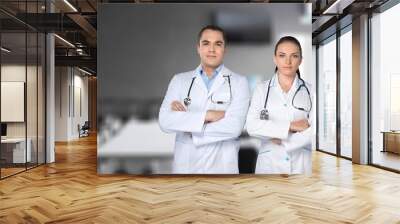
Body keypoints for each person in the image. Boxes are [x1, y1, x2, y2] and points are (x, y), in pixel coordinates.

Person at [159, 25, 250, 174]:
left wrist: (188, 124)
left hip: (223, 169)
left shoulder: (239, 82)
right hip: (186, 168)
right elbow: (165, 121)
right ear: (198, 48)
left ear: (225, 49)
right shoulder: (180, 80)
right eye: (206, 43)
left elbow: (234, 127)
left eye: (218, 44)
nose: (212, 49)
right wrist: (208, 115)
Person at [246, 36, 313, 175]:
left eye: (294, 56)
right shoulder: (261, 89)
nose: (288, 61)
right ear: (275, 59)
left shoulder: (311, 91)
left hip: (301, 164)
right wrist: (291, 126)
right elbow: (251, 126)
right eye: (282, 56)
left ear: (300, 60)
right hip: (269, 163)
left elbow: (314, 131)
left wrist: (279, 136)